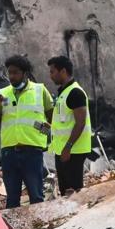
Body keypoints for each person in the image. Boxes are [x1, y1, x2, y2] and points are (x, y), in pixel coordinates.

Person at [0, 55, 53, 208]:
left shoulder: (39, 90)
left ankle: (38, 223)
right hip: (9, 152)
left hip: (32, 151)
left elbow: (52, 117)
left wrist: (45, 130)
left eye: (15, 72)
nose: (11, 76)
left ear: (25, 73)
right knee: (12, 199)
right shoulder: (2, 93)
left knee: (36, 196)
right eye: (9, 72)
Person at [47, 56, 92, 195]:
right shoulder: (63, 93)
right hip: (62, 151)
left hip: (73, 151)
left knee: (74, 193)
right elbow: (64, 123)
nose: (50, 76)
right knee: (65, 192)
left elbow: (80, 123)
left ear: (63, 71)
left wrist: (68, 147)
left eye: (52, 71)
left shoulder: (75, 92)